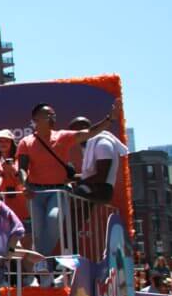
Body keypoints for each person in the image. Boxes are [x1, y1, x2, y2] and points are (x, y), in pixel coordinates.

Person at [17, 101, 118, 255]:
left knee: (54, 220)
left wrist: (109, 119)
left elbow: (90, 132)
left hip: (58, 190)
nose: (53, 117)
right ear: (36, 119)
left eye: (54, 115)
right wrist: (25, 185)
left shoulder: (63, 136)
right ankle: (44, 271)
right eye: (48, 115)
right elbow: (22, 169)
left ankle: (37, 259)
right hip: (35, 192)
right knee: (37, 231)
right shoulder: (26, 142)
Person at [75, 121, 129, 202]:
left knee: (67, 198)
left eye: (76, 133)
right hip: (94, 188)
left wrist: (80, 182)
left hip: (101, 191)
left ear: (85, 130)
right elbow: (90, 176)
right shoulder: (91, 146)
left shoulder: (103, 145)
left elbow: (101, 177)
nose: (74, 137)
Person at [0, 130, 29, 221]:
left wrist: (13, 170)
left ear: (12, 143)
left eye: (6, 141)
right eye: (0, 141)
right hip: (0, 202)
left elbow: (24, 182)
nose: (3, 144)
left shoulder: (19, 158)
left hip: (20, 202)